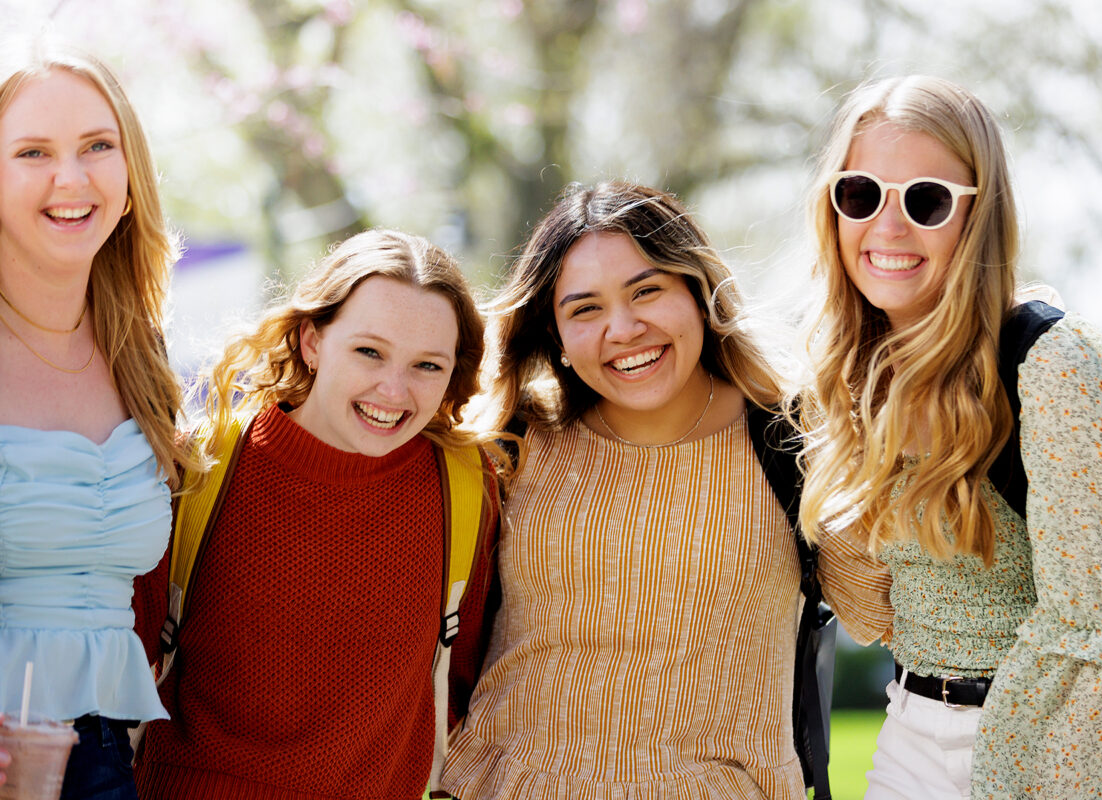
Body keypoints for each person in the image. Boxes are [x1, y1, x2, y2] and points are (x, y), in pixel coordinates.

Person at [796, 74, 1102, 798]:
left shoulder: (1058, 367)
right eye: (860, 194)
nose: (887, 227)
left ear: (979, 216)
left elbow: (1101, 629)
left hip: (1088, 741)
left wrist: (1008, 781)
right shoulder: (853, 381)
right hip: (915, 727)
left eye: (927, 200)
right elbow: (874, 611)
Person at [441, 181, 890, 799]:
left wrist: (868, 439)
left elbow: (873, 614)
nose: (623, 328)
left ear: (698, 294)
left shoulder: (791, 438)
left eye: (646, 290)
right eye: (585, 309)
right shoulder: (516, 442)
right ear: (558, 337)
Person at [131, 228, 502, 799]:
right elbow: (123, 665)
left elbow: (462, 682)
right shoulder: (197, 468)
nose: (393, 389)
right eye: (369, 351)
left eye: (428, 365)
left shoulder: (465, 485)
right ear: (311, 341)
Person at [0, 39, 199, 799]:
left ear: (127, 175)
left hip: (101, 756)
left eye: (96, 146)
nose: (71, 177)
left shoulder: (142, 360)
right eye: (32, 152)